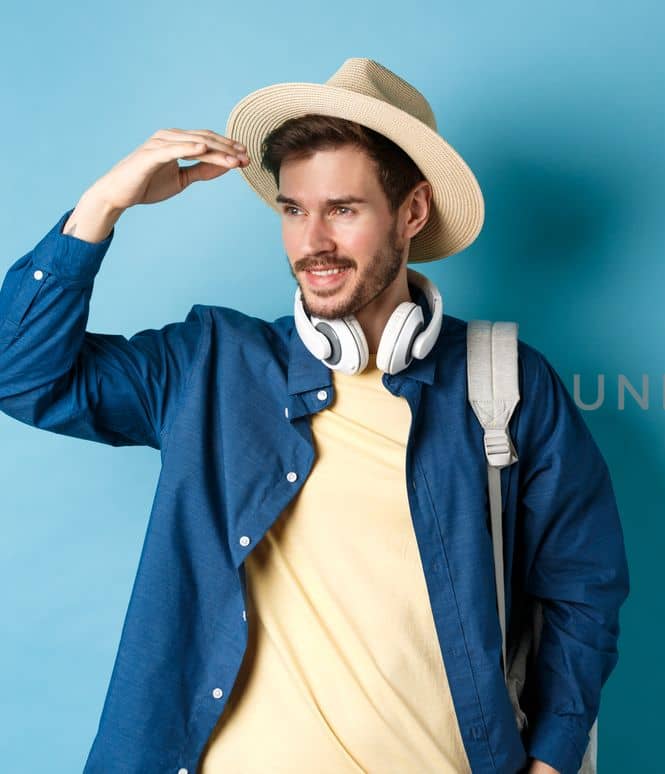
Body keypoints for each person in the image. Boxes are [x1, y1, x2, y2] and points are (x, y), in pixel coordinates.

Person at [0, 58, 628, 774]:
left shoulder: (504, 382)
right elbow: (20, 374)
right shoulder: (210, 364)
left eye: (344, 209)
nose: (313, 242)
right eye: (294, 210)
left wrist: (551, 761)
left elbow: (584, 588)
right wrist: (101, 208)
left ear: (412, 211)